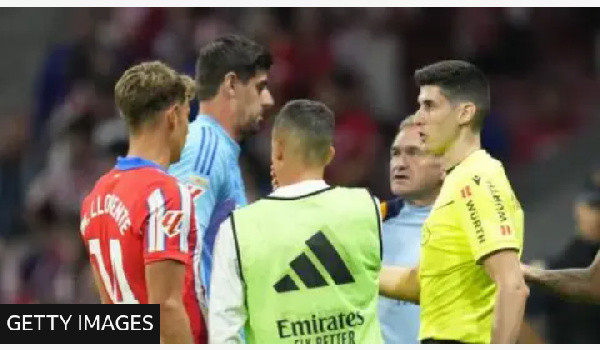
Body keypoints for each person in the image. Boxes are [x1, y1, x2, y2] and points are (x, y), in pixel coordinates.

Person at [209, 100, 383, 344]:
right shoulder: (368, 207)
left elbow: (223, 333)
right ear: (329, 155)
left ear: (277, 150)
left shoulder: (239, 228)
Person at [379, 60, 528, 344]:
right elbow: (421, 283)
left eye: (430, 106)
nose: (418, 117)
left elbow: (512, 286)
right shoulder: (457, 182)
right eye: (419, 105)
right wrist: (351, 270)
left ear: (465, 113)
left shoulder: (476, 178)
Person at [80, 61, 204, 343]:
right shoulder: (164, 193)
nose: (188, 131)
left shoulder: (96, 196)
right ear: (173, 117)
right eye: (187, 117)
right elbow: (166, 307)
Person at [168, 34, 274, 306]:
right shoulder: (204, 149)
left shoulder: (220, 151)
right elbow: (178, 250)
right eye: (260, 87)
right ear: (231, 84)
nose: (268, 100)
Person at [378, 115, 443, 344]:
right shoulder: (371, 222)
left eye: (413, 153)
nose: (400, 163)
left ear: (445, 164)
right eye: (395, 153)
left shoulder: (472, 222)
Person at [523, 175, 600, 343]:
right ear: (579, 208)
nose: (597, 216)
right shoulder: (557, 266)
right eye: (594, 206)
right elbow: (518, 312)